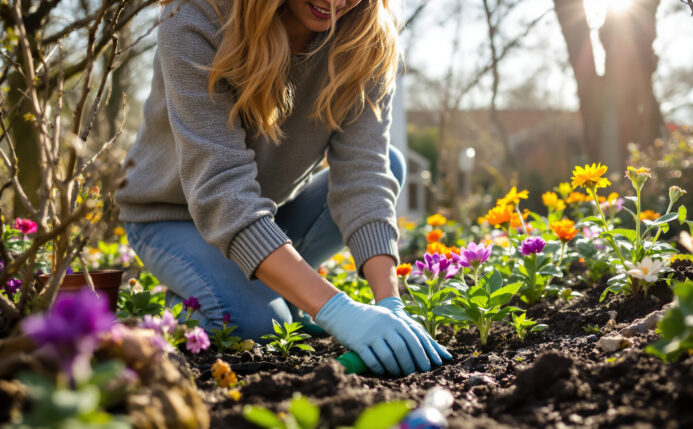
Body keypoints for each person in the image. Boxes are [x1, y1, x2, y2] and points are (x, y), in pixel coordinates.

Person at [115, 0, 451, 376]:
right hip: (172, 217)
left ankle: (263, 290)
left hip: (268, 213)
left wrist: (390, 303)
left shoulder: (367, 36)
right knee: (259, 326)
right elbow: (222, 191)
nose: (336, 2)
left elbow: (365, 173)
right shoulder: (198, 16)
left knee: (390, 162)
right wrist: (337, 311)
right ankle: (189, 308)